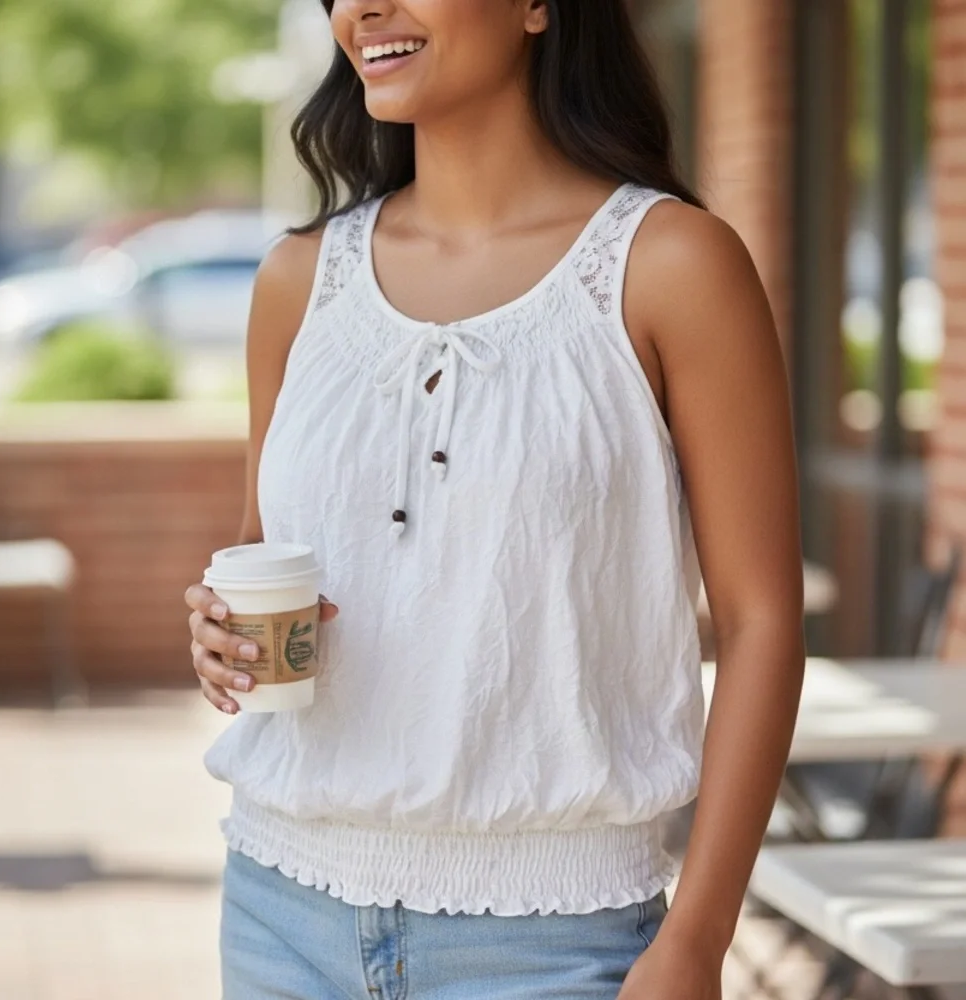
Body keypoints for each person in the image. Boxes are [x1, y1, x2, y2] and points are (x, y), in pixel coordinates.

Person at [184, 1, 807, 997]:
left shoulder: (672, 267)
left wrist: (696, 937)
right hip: (279, 915)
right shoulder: (298, 280)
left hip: (555, 943)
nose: (361, 8)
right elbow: (270, 549)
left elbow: (762, 618)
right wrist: (220, 628)